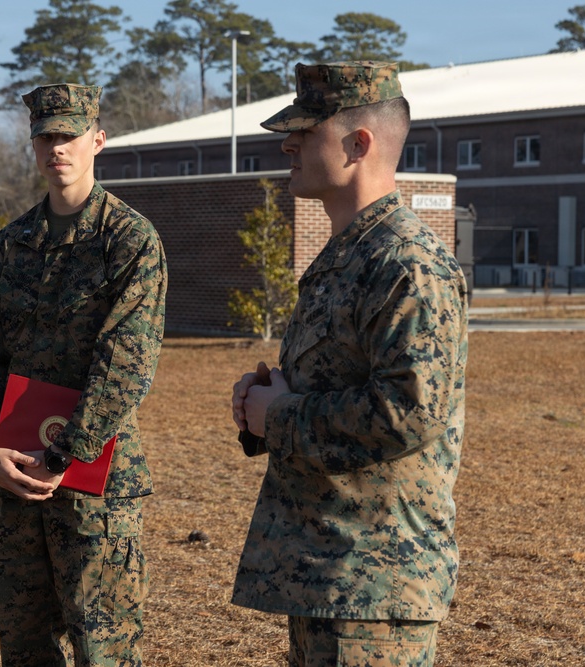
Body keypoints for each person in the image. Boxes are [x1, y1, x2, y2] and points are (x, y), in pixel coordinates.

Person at [230, 61, 468, 667]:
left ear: (358, 145)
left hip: (376, 584)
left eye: (305, 132)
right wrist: (269, 397)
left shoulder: (406, 264)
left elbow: (407, 413)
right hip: (329, 572)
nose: (287, 143)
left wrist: (279, 415)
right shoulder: (348, 256)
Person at [0, 83, 167, 667]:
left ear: (97, 140)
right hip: (16, 475)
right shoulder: (6, 248)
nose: (57, 147)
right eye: (45, 136)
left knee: (101, 646)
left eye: (69, 135)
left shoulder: (128, 241)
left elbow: (126, 364)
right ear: (33, 146)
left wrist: (61, 456)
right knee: (22, 642)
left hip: (94, 479)